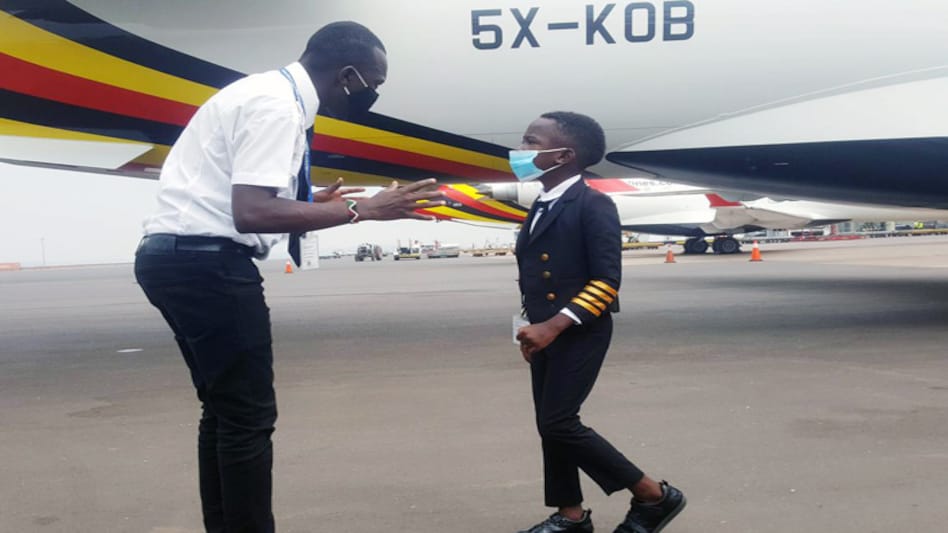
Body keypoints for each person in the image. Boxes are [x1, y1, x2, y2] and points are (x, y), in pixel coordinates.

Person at [133, 22, 444, 533]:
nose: (376, 93)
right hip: (207, 265)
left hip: (176, 257)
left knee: (224, 413)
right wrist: (361, 211)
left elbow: (253, 201)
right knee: (248, 418)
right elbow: (252, 213)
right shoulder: (278, 106)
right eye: (374, 82)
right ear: (348, 76)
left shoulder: (263, 92)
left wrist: (310, 207)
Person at [512, 112, 686, 533]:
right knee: (548, 425)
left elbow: (607, 281)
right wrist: (529, 326)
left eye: (532, 142)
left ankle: (653, 496)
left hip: (578, 331)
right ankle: (570, 516)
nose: (521, 151)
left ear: (564, 155)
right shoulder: (543, 201)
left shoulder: (593, 204)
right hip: (543, 331)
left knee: (559, 423)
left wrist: (553, 325)